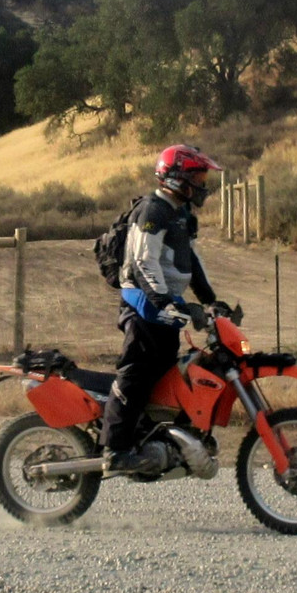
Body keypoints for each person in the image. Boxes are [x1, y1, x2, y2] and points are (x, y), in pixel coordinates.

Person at [101, 144, 227, 473]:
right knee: (136, 375)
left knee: (163, 379)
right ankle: (115, 450)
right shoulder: (153, 211)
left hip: (165, 310)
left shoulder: (180, 214)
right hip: (143, 309)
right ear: (176, 178)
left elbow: (191, 262)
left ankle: (152, 439)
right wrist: (165, 301)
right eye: (196, 177)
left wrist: (210, 299)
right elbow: (143, 263)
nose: (201, 184)